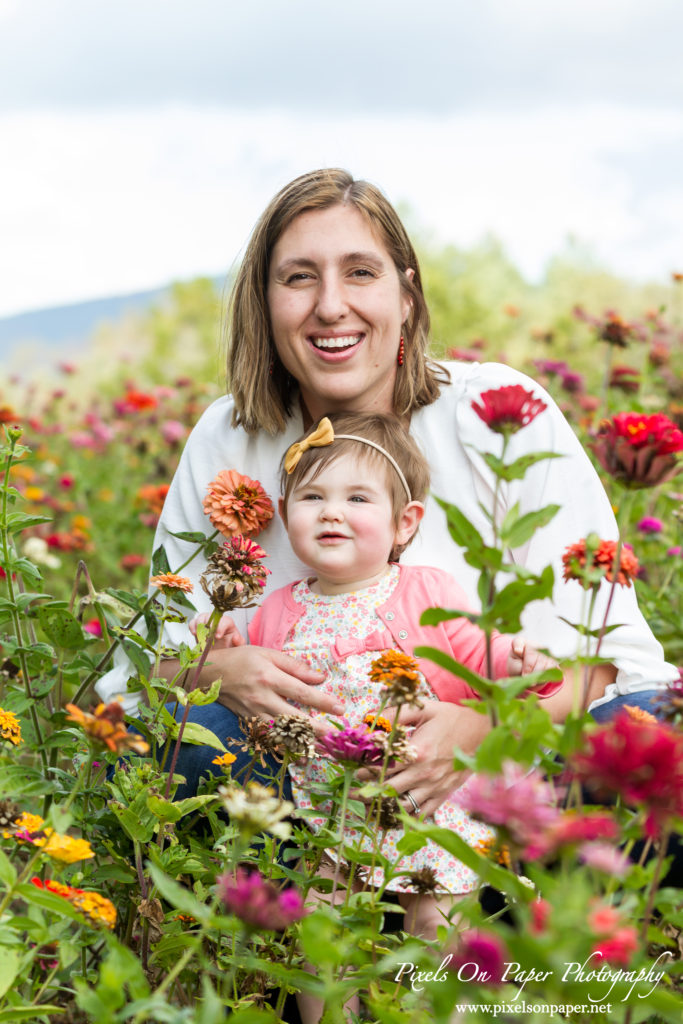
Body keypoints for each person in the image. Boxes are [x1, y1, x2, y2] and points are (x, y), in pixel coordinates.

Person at [96, 167, 677, 812]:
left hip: (509, 759)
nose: (330, 305)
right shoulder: (230, 436)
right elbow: (154, 661)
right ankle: (314, 895)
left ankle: (509, 890)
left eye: (361, 272)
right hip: (305, 770)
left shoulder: (496, 412)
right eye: (299, 276)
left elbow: (599, 653)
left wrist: (480, 729)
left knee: (656, 734)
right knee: (182, 742)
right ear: (263, 300)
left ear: (407, 294)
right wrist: (216, 670)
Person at [193, 411, 563, 1023]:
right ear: (286, 517)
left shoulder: (423, 591)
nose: (331, 512)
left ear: (404, 523)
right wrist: (227, 656)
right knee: (321, 926)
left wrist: (527, 665)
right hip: (331, 806)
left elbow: (478, 662)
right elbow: (265, 699)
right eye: (313, 498)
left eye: (356, 498)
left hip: (425, 801)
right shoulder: (280, 608)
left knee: (433, 928)